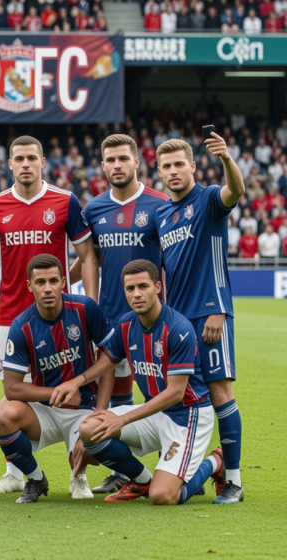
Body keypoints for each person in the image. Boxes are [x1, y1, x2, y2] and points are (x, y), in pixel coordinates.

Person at [0, 135, 99, 497]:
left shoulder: (64, 201)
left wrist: (92, 304)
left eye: (31, 158)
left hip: (61, 317)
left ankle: (78, 473)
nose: (25, 164)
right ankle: (17, 473)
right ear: (9, 164)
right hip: (11, 316)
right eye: (18, 158)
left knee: (75, 390)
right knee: (13, 396)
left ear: (42, 162)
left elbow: (86, 253)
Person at [52, 260, 224, 505]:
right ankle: (142, 480)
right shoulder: (126, 324)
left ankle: (216, 461)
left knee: (164, 496)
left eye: (143, 286)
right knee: (89, 429)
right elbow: (109, 360)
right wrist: (76, 382)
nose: (137, 294)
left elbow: (176, 393)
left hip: (187, 416)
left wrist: (122, 419)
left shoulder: (179, 329)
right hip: (154, 412)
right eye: (130, 289)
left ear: (157, 286)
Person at [72, 134, 169, 494]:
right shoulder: (94, 208)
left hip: (152, 320)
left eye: (123, 159)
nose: (117, 165)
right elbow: (89, 259)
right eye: (110, 159)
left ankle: (169, 465)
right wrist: (89, 302)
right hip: (112, 317)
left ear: (136, 162)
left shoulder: (159, 204)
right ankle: (126, 471)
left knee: (158, 389)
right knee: (117, 396)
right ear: (102, 165)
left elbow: (170, 261)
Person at [154, 136, 245, 503]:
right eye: (167, 166)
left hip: (210, 315)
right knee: (187, 396)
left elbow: (235, 191)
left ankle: (233, 481)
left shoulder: (208, 199)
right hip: (177, 323)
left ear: (192, 166)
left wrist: (226, 158)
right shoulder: (161, 215)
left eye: (180, 164)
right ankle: (194, 467)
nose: (174, 171)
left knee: (221, 392)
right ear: (159, 172)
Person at [0, 254, 112, 503]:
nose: (47, 288)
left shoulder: (85, 308)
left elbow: (110, 361)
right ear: (29, 286)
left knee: (99, 446)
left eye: (53, 281)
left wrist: (99, 414)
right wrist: (57, 391)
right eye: (40, 282)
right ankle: (35, 479)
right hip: (44, 411)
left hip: (83, 408)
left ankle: (79, 475)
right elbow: (12, 388)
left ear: (63, 282)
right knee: (3, 417)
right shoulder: (21, 326)